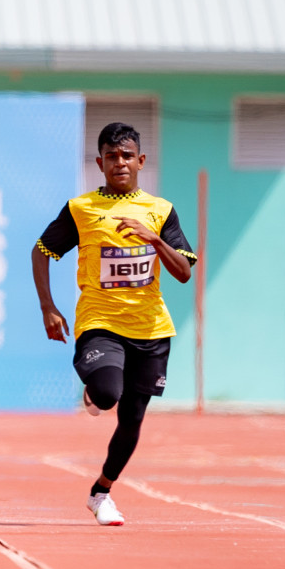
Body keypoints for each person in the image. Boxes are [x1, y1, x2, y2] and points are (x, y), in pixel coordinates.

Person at [32, 121, 195, 526]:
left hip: (152, 330)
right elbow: (40, 251)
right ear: (99, 163)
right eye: (111, 156)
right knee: (107, 393)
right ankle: (94, 394)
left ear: (140, 161)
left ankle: (101, 492)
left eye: (127, 156)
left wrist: (154, 240)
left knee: (132, 420)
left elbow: (184, 272)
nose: (119, 163)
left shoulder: (160, 211)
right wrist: (48, 307)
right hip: (100, 321)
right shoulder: (81, 209)